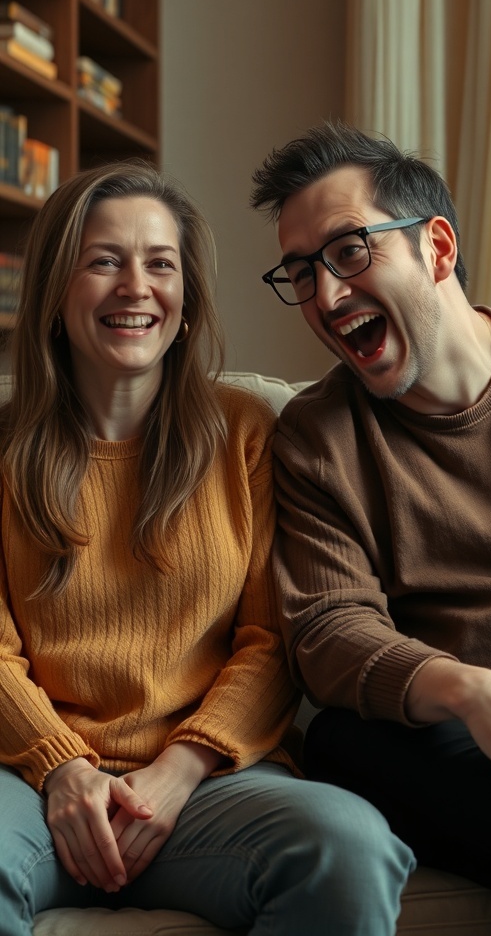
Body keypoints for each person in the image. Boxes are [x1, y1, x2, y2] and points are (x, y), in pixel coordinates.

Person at [0, 160, 415, 936]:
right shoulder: (4, 447)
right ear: (56, 291)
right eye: (104, 261)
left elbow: (273, 641)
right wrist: (60, 767)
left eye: (160, 264)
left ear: (186, 299)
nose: (136, 287)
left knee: (350, 847)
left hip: (206, 785)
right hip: (26, 784)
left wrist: (179, 769)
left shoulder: (247, 433)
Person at [251, 120, 491, 936]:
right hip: (448, 731)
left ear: (436, 247)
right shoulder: (315, 437)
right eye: (302, 272)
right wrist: (475, 691)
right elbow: (329, 632)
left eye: (349, 251)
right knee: (343, 743)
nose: (326, 297)